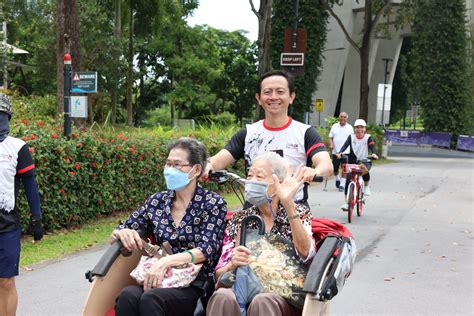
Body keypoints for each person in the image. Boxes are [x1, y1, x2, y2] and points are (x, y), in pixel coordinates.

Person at [112, 137, 228, 316]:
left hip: (194, 283)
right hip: (160, 278)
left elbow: (207, 250)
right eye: (168, 163)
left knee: (152, 299)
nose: (170, 169)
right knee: (128, 295)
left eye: (177, 164)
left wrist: (166, 262)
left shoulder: (213, 203)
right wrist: (123, 232)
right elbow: (122, 228)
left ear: (196, 169)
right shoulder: (158, 201)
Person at [206, 152, 316, 316]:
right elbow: (219, 273)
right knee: (222, 296)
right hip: (243, 285)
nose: (251, 181)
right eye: (249, 175)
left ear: (277, 182)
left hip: (283, 293)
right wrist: (232, 264)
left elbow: (307, 253)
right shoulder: (239, 219)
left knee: (262, 300)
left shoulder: (298, 212)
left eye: (259, 176)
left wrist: (288, 204)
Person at [206, 70, 332, 207]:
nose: (273, 97)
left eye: (280, 91)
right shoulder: (248, 133)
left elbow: (326, 164)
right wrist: (207, 166)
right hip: (254, 210)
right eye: (267, 92)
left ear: (291, 97)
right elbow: (217, 161)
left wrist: (315, 171)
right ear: (258, 98)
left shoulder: (305, 132)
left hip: (293, 210)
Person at [0, 93, 43, 316]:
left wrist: (36, 218)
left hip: (6, 224)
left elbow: (30, 186)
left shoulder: (18, 147)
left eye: (2, 115)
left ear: (9, 117)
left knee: (6, 281)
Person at [336, 119, 378, 210]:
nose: (359, 130)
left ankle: (366, 186)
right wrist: (340, 152)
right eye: (357, 128)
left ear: (365, 129)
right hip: (353, 161)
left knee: (364, 168)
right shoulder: (351, 137)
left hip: (365, 160)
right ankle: (347, 203)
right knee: (348, 179)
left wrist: (374, 153)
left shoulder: (368, 137)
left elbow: (372, 146)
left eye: (362, 127)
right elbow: (345, 145)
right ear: (354, 129)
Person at [328, 112, 353, 191]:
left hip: (346, 152)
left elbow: (352, 140)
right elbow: (330, 137)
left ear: (347, 118)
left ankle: (342, 184)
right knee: (335, 169)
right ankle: (337, 178)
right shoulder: (334, 126)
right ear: (339, 117)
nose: (342, 118)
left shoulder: (350, 127)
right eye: (341, 116)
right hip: (335, 151)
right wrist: (331, 145)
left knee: (344, 168)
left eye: (344, 117)